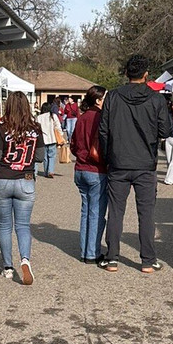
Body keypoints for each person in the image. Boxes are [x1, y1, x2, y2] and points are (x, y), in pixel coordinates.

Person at [97, 53, 172, 273]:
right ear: (146, 74)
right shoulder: (156, 99)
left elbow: (104, 130)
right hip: (145, 163)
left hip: (119, 162)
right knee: (146, 213)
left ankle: (112, 258)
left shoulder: (113, 96)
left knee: (116, 211)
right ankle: (148, 260)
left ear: (126, 73)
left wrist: (108, 155)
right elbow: (165, 130)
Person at [0, 91, 43, 284]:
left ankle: (8, 267)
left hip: (3, 179)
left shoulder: (1, 129)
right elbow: (41, 157)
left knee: (5, 225)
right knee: (23, 225)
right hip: (26, 180)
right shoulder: (35, 129)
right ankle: (25, 260)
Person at [71, 86, 107, 263]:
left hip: (80, 168)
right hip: (96, 170)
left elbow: (73, 144)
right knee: (96, 213)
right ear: (99, 100)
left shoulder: (81, 118)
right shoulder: (102, 118)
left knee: (86, 211)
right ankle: (92, 252)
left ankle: (85, 251)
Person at [36, 102, 62, 178]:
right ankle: (50, 171)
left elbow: (37, 129)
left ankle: (46, 171)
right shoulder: (53, 116)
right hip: (52, 138)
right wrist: (60, 136)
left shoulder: (39, 117)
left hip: (43, 140)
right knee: (52, 156)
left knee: (45, 157)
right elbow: (58, 126)